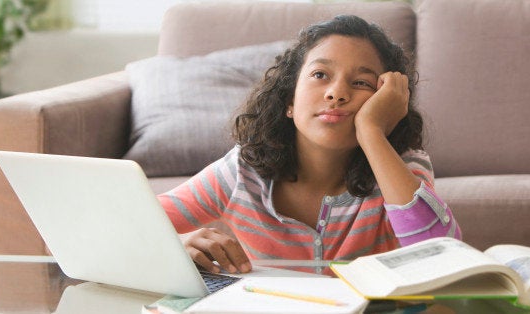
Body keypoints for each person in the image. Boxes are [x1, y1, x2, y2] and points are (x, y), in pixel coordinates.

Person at [158, 15, 462, 275]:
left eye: (361, 83)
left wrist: (372, 131)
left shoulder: (401, 167)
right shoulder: (241, 172)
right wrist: (177, 245)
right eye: (320, 75)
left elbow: (442, 254)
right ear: (289, 100)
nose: (336, 93)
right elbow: (130, 223)